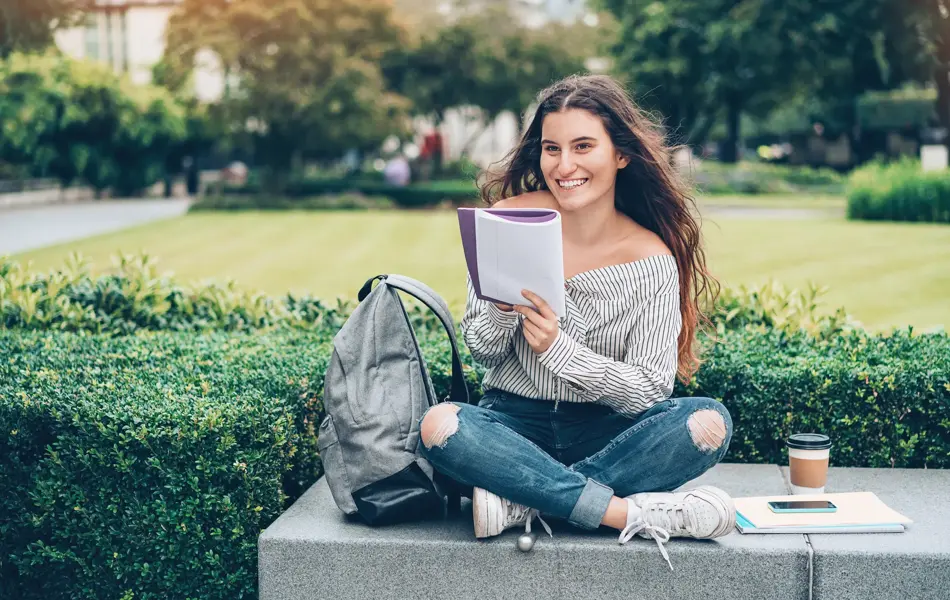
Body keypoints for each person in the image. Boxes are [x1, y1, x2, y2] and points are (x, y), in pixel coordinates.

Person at [417, 74, 735, 571]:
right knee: (440, 427)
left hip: (606, 432)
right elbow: (481, 348)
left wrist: (559, 352)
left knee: (706, 425)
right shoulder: (507, 221)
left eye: (583, 146)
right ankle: (618, 511)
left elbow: (650, 391)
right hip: (512, 424)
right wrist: (501, 312)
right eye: (551, 149)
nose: (564, 166)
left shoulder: (651, 259)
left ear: (621, 154)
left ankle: (524, 498)